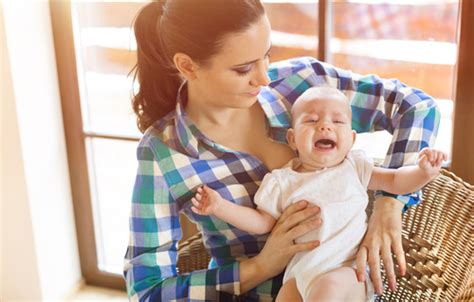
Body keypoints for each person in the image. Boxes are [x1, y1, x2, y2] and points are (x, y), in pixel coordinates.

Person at [124, 0, 441, 300]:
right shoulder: (163, 154)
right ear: (187, 66)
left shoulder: (303, 86)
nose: (263, 79)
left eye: (266, 56)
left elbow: (417, 107)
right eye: (243, 69)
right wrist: (260, 266)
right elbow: (148, 290)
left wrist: (389, 206)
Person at [190, 87, 446, 301]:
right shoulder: (283, 180)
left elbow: (397, 182)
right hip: (298, 274)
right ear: (292, 139)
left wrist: (424, 172)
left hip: (346, 272)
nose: (325, 126)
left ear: (351, 138)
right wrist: (220, 207)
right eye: (312, 121)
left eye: (337, 121)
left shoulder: (355, 167)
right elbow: (261, 223)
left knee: (328, 290)